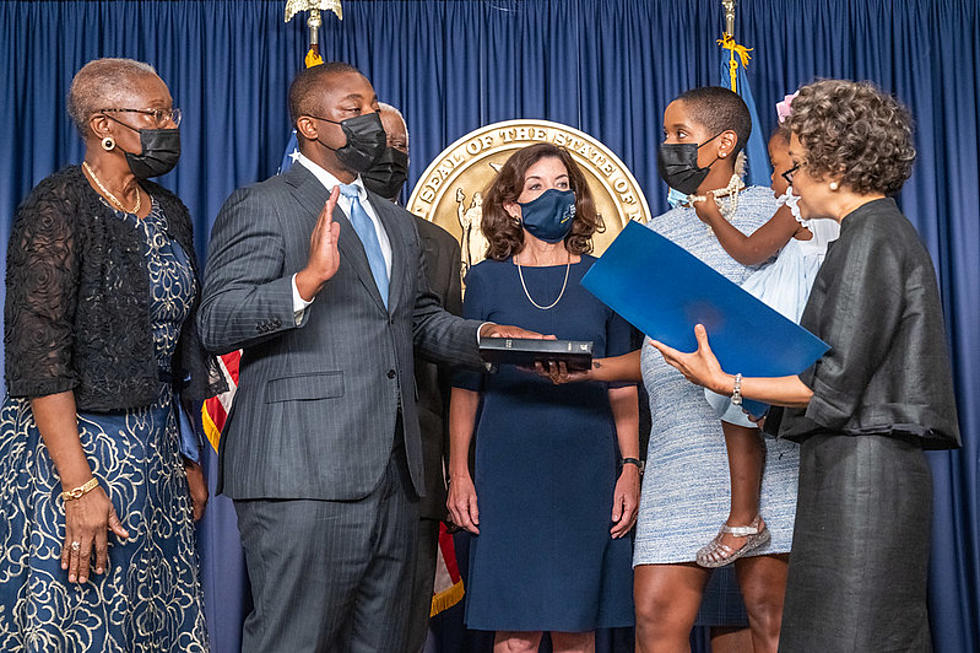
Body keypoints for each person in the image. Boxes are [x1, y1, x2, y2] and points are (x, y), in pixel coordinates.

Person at [197, 62, 537, 653]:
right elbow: (217, 319)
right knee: (294, 642)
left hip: (398, 480)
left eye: (373, 105)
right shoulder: (262, 205)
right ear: (309, 125)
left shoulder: (395, 222)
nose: (372, 120)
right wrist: (303, 284)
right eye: (353, 110)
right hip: (299, 474)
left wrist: (491, 338)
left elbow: (419, 322)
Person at [648, 79, 960, 652]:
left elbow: (831, 387)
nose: (787, 179)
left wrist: (725, 382)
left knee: (856, 636)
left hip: (864, 474)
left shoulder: (870, 239)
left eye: (796, 165)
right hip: (850, 466)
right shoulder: (865, 236)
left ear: (834, 168)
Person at [543, 87, 796, 652]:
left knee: (768, 618)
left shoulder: (775, 209)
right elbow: (665, 351)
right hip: (680, 450)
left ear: (725, 141)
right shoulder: (654, 235)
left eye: (679, 134)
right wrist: (593, 370)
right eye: (666, 136)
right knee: (655, 619)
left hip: (762, 448)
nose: (667, 146)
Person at [0, 58, 222, 651]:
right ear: (104, 123)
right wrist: (77, 488)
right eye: (156, 114)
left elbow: (180, 351)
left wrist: (186, 455)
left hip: (154, 452)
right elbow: (38, 355)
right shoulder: (57, 208)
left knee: (152, 620)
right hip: (75, 452)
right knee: (79, 618)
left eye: (171, 112)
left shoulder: (170, 212)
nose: (170, 125)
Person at [447, 142, 639, 653]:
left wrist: (630, 466)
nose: (551, 196)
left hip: (587, 465)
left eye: (561, 186)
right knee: (514, 636)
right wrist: (460, 473)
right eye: (535, 187)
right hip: (507, 467)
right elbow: (466, 384)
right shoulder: (486, 278)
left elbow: (625, 381)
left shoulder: (604, 278)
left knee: (577, 629)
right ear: (511, 205)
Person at [691, 111, 840, 567]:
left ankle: (745, 516)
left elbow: (750, 251)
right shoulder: (837, 216)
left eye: (781, 167)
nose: (776, 178)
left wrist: (713, 216)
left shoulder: (797, 205)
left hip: (788, 313)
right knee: (741, 403)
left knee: (730, 386)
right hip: (806, 316)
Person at [366, 101, 465, 653]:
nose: (389, 154)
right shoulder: (305, 228)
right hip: (326, 477)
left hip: (416, 470)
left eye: (400, 145)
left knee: (401, 633)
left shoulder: (439, 246)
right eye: (377, 141)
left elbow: (444, 365)